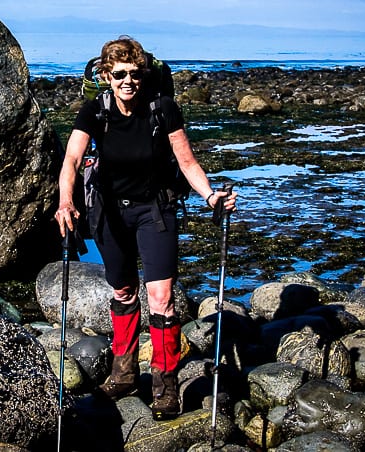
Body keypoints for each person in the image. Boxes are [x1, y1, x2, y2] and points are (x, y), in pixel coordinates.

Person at [54, 36, 237, 420]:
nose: (128, 81)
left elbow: (186, 162)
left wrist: (210, 197)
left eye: (135, 74)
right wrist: (66, 203)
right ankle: (124, 372)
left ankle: (165, 383)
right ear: (106, 76)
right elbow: (71, 160)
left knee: (162, 298)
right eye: (119, 74)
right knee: (122, 290)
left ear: (144, 75)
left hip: (155, 210)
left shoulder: (162, 109)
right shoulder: (95, 111)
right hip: (109, 213)